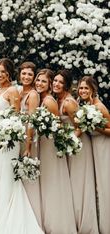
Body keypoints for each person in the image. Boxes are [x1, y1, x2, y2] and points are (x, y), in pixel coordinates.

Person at [0, 58, 43, 234]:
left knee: (7, 178)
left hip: (9, 141)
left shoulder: (13, 91)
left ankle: (7, 219)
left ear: (10, 73)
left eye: (3, 71)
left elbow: (17, 117)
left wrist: (9, 134)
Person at [53, 70, 98, 233]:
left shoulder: (69, 103)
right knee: (72, 185)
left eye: (60, 82)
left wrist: (69, 141)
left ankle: (86, 225)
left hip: (78, 146)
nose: (56, 84)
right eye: (55, 81)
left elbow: (80, 127)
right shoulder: (57, 100)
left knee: (80, 185)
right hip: (69, 146)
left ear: (66, 85)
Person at [35, 69, 76, 234]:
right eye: (38, 80)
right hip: (44, 144)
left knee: (53, 181)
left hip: (50, 145)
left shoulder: (49, 101)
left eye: (44, 81)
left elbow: (58, 127)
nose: (39, 83)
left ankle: (58, 224)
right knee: (47, 182)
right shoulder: (42, 99)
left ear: (49, 84)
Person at [77, 76, 110, 233]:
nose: (83, 91)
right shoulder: (87, 106)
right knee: (98, 186)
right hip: (94, 147)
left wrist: (97, 129)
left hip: (103, 147)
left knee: (105, 186)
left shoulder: (99, 107)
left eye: (86, 88)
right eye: (81, 88)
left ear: (93, 90)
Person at [18, 61, 42, 227]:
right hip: (16, 136)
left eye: (29, 75)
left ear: (34, 78)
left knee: (27, 177)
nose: (26, 77)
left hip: (27, 139)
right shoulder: (18, 91)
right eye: (24, 73)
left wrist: (28, 147)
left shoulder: (33, 94)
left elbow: (32, 122)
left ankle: (31, 217)